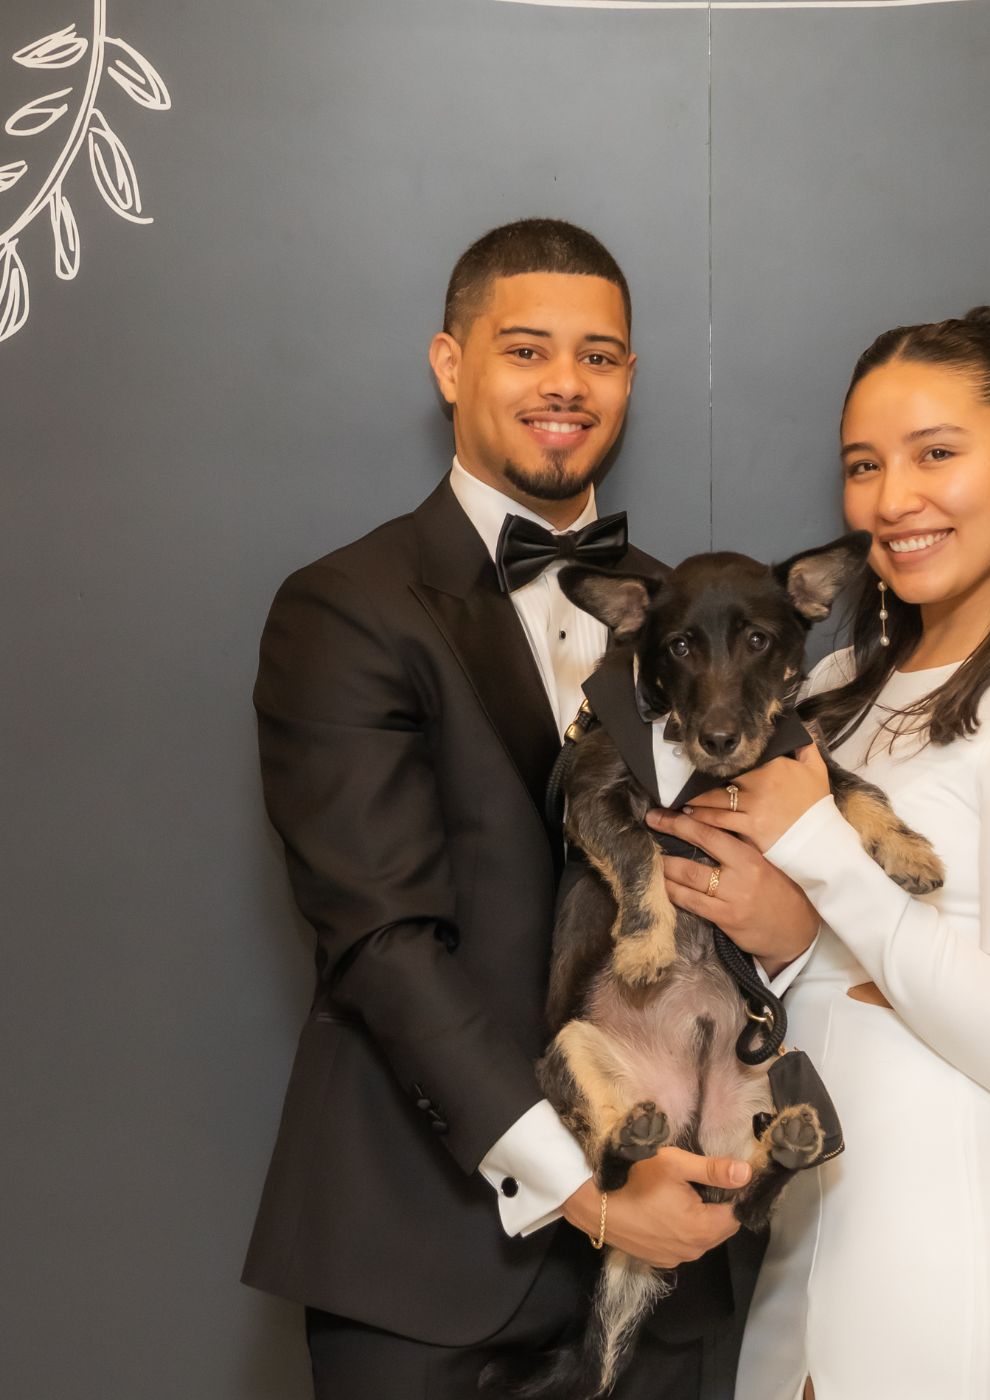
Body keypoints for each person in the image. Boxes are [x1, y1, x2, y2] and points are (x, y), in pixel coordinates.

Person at [241, 219, 812, 1398]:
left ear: (631, 380)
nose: (565, 383)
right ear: (450, 363)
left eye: (598, 355)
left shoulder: (702, 612)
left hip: (676, 1264)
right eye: (526, 349)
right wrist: (591, 1188)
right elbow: (382, 944)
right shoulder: (346, 608)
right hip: (426, 1262)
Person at [649, 308, 990, 1399]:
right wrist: (807, 947)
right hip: (811, 1230)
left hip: (960, 1241)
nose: (891, 498)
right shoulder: (826, 692)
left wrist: (819, 853)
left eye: (935, 454)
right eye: (863, 465)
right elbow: (798, 959)